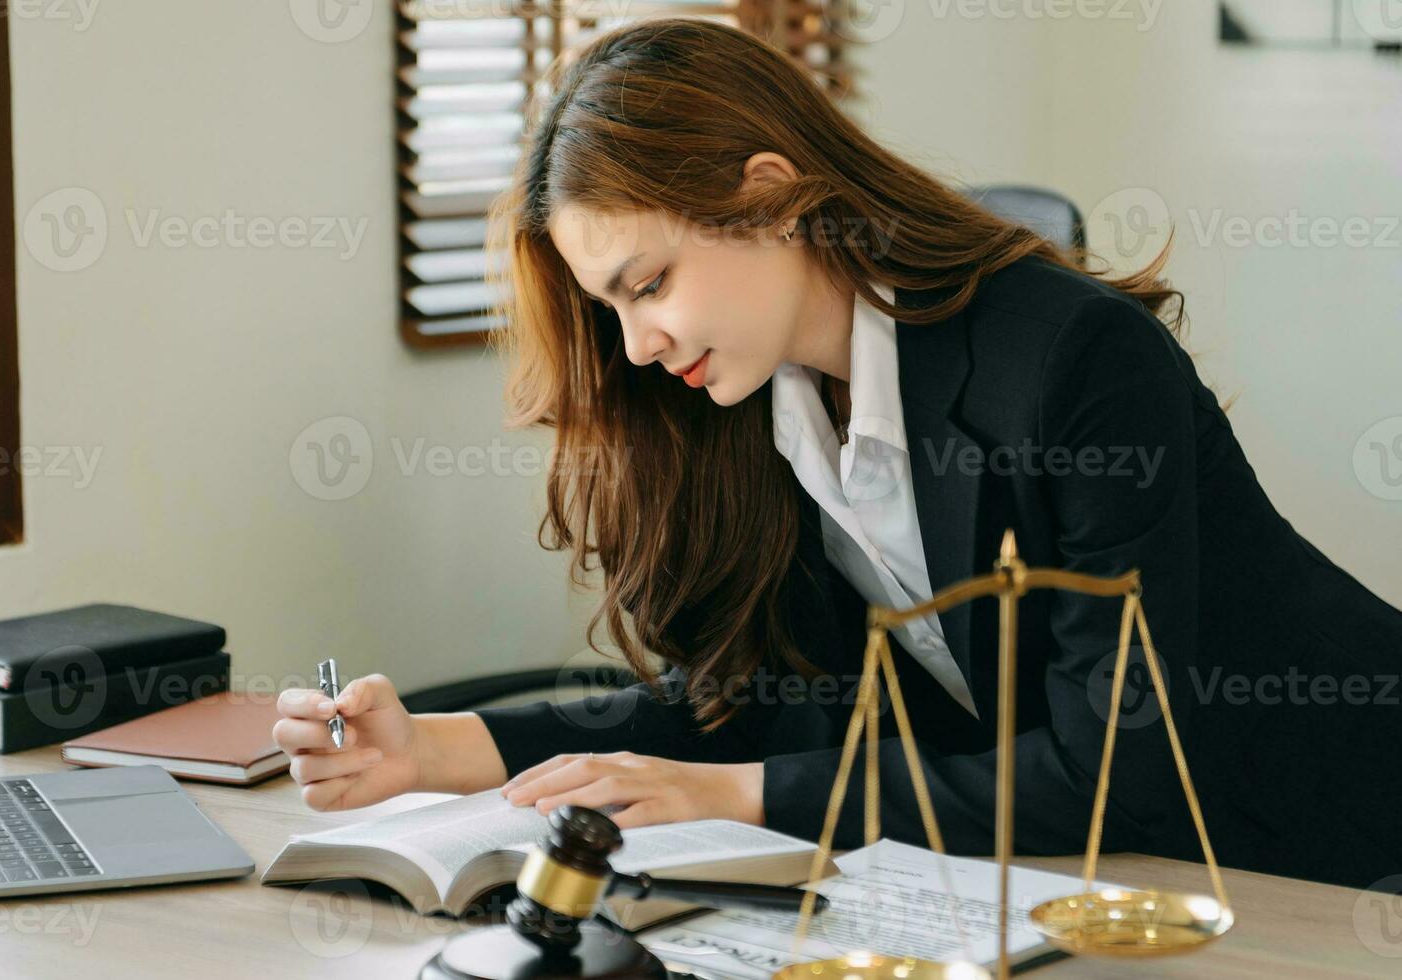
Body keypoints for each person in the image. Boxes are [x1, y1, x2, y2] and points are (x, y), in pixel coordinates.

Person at [272, 18, 1402, 892]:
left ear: (769, 194)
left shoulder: (1076, 360)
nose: (637, 341)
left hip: (1321, 837)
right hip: (1086, 878)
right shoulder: (751, 401)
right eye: (610, 306)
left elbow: (1110, 770)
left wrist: (735, 794)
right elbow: (734, 701)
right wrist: (432, 746)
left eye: (649, 284)